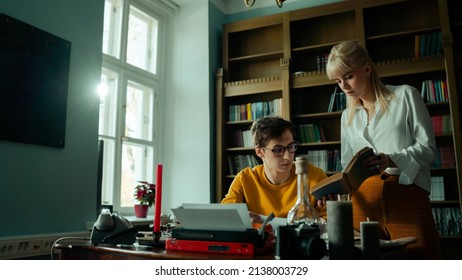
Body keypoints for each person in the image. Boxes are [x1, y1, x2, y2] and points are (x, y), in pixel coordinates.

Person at [326, 40, 441, 259]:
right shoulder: (346, 116)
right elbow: (346, 163)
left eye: (348, 76)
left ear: (367, 68)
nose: (344, 86)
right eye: (338, 81)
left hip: (405, 197)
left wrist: (392, 159)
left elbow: (428, 149)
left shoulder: (406, 96)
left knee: (422, 264)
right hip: (363, 202)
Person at [221, 116, 328, 222]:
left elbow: (330, 221)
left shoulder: (314, 176)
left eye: (291, 147)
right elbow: (225, 217)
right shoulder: (244, 179)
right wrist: (243, 220)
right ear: (259, 152)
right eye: (278, 150)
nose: (287, 156)